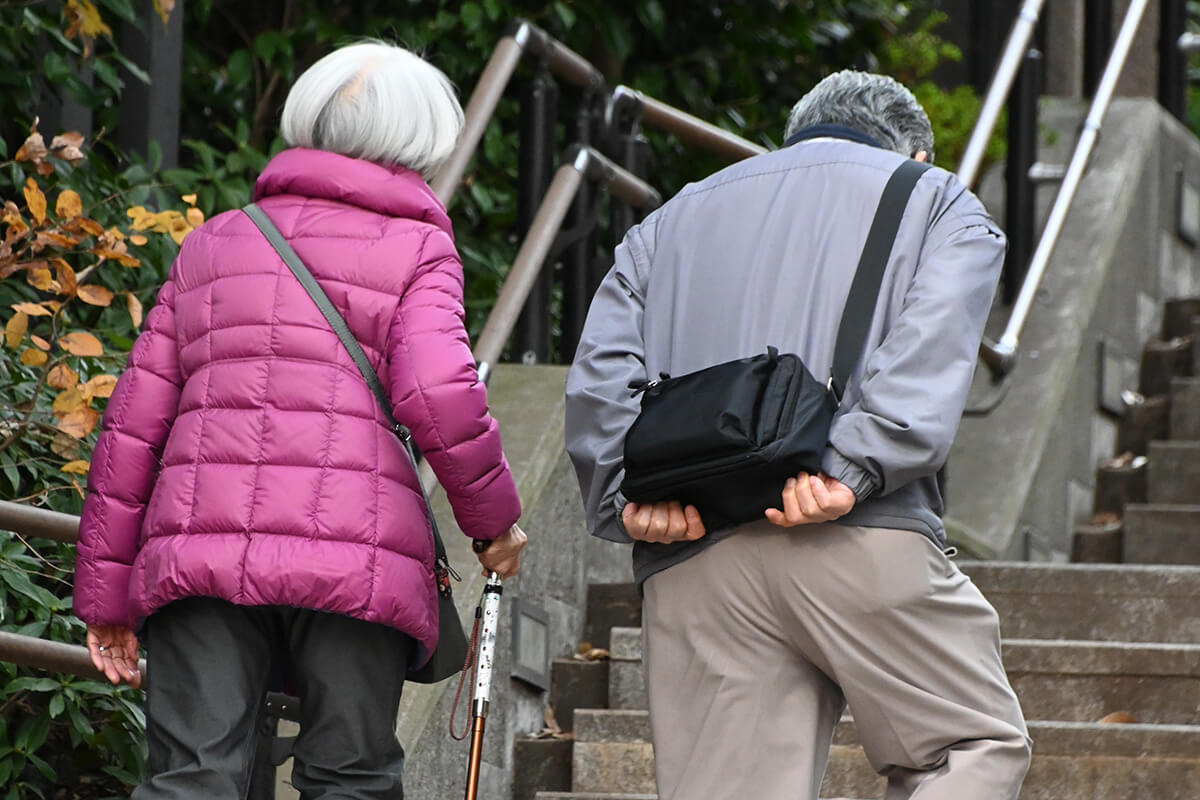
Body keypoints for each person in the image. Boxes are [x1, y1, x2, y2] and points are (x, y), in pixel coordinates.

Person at [73, 41, 527, 799]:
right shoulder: (418, 249)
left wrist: (104, 597)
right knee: (349, 778)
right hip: (357, 556)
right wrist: (492, 526)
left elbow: (133, 427)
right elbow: (441, 391)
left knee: (191, 780)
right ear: (423, 139)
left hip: (199, 552)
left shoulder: (216, 240)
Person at [565, 70, 1031, 800]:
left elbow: (599, 375)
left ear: (793, 139)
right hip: (852, 531)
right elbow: (930, 344)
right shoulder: (935, 200)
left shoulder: (668, 220)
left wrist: (629, 496)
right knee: (970, 746)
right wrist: (852, 466)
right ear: (914, 153)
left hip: (694, 553)